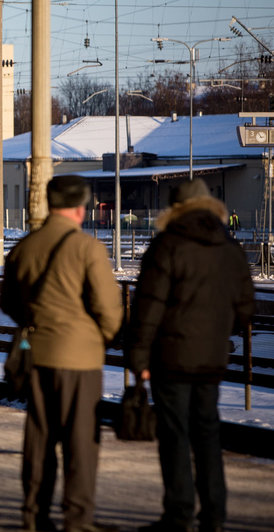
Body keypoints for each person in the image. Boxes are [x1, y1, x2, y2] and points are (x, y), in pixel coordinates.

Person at [126, 179, 255, 532]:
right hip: (211, 358)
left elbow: (148, 309)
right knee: (208, 433)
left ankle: (179, 514)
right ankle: (214, 515)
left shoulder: (166, 246)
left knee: (175, 435)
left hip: (171, 357)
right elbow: (246, 308)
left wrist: (138, 358)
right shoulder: (231, 248)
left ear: (174, 209)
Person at [1, 175, 122, 532]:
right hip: (80, 360)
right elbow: (109, 309)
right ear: (80, 207)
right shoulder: (87, 248)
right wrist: (98, 336)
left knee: (39, 438)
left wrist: (37, 324)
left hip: (37, 355)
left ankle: (34, 516)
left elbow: (8, 302)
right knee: (80, 441)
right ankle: (77, 518)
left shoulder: (25, 246)